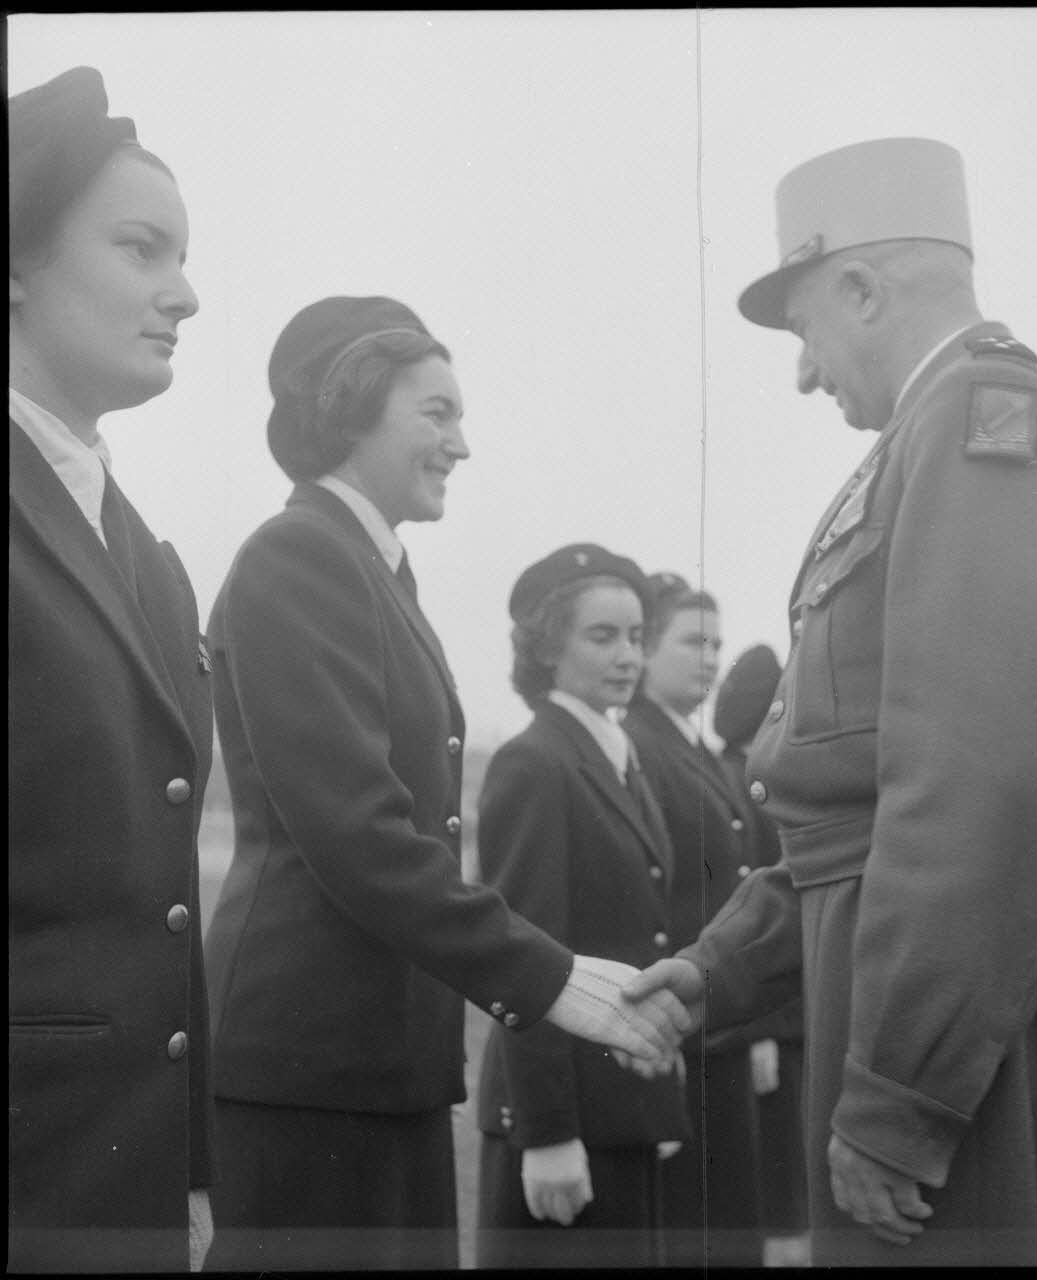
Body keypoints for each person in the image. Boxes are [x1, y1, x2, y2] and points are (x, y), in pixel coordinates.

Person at [624, 136, 1037, 1266]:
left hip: (950, 1024)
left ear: (860, 287)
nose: (804, 372)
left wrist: (900, 1096)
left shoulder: (977, 420)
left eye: (805, 327)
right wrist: (724, 965)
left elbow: (981, 783)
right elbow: (855, 799)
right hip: (928, 994)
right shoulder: (930, 433)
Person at [201, 301, 685, 1271]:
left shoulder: (372, 566)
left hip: (380, 1052)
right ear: (350, 411)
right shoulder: (300, 556)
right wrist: (547, 974)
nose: (460, 442)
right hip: (314, 1053)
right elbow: (360, 833)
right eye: (435, 411)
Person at [9, 66, 216, 1272]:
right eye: (142, 249)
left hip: (124, 1178)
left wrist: (188, 1168)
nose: (184, 295)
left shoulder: (148, 558)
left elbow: (162, 890)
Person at [474, 544, 690, 1268]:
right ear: (545, 647)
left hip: (624, 1115)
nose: (627, 655)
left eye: (636, 637)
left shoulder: (615, 753)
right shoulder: (536, 762)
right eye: (602, 637)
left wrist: (658, 1101)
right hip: (569, 1131)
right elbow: (522, 960)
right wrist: (547, 1133)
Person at [622, 574, 764, 1268]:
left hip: (718, 1020)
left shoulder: (696, 748)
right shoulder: (638, 745)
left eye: (717, 643)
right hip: (676, 1023)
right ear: (646, 649)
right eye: (691, 641)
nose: (709, 657)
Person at [711, 643, 810, 1261]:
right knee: (775, 1190)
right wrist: (764, 1029)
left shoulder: (731, 772)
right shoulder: (751, 785)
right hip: (766, 1013)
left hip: (767, 1009)